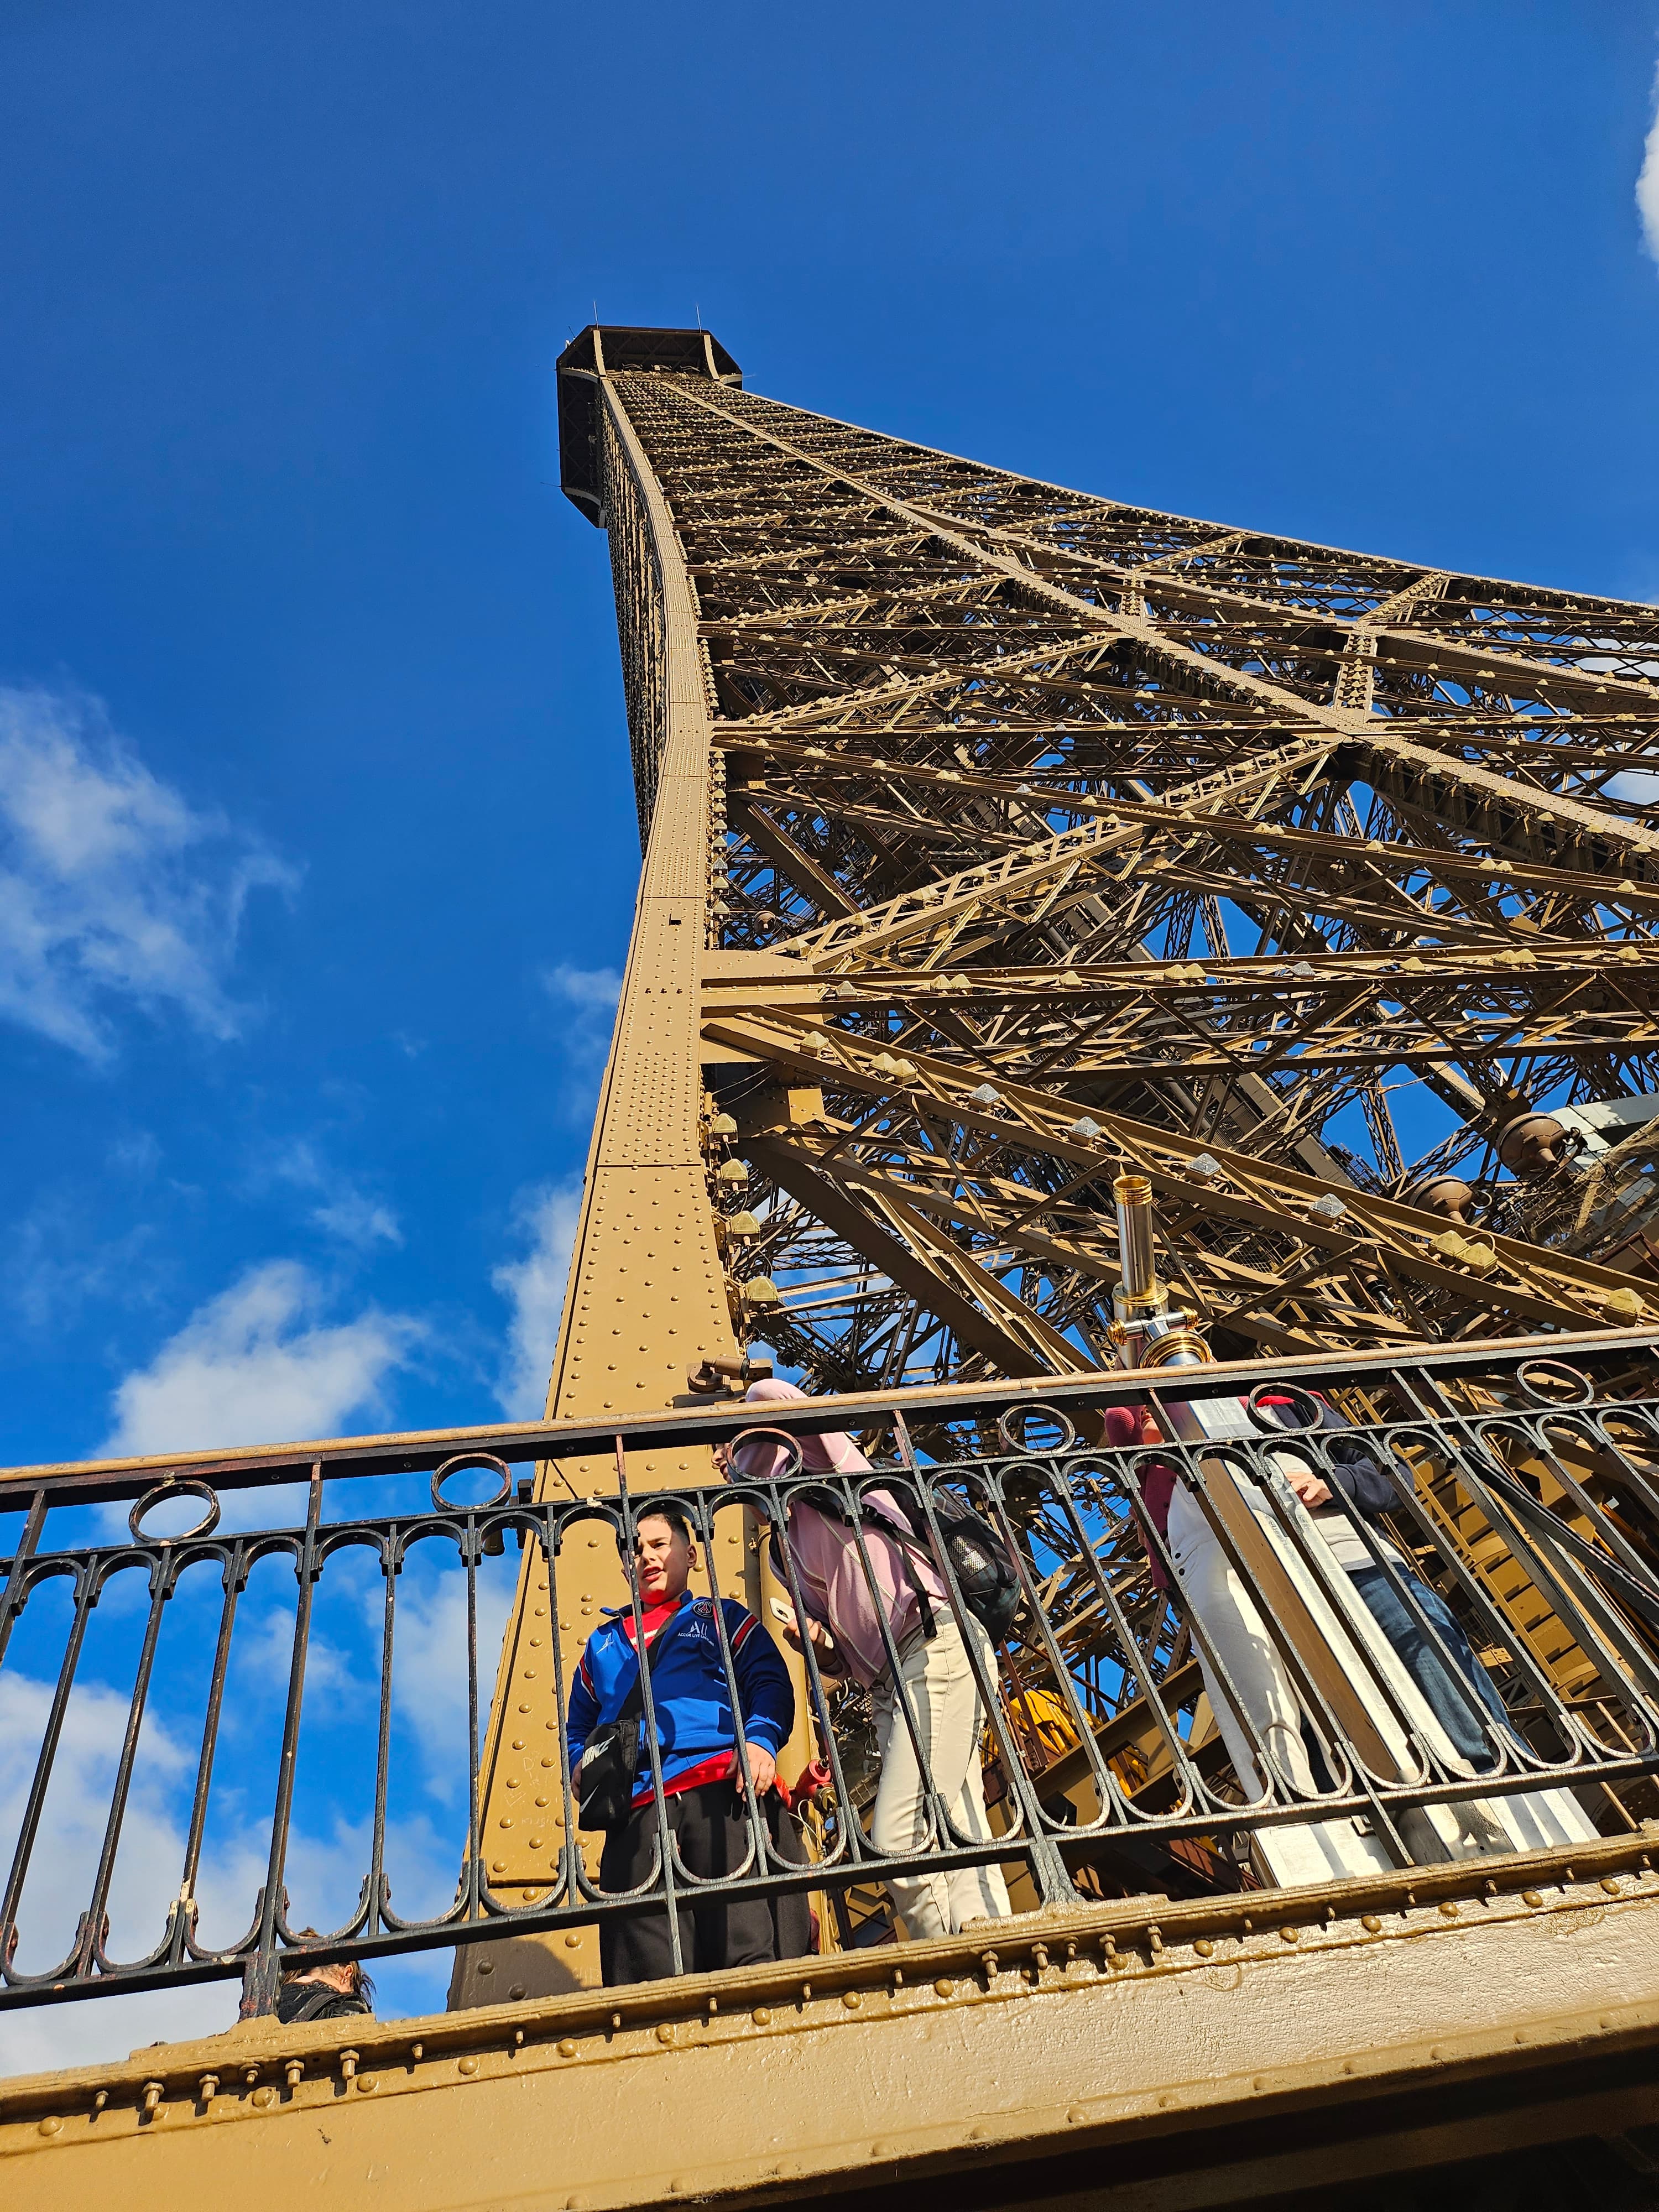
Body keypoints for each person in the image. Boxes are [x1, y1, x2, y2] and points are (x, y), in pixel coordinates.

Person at [729, 1377, 1012, 1942]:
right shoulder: (783, 1551)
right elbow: (840, 1656)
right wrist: (818, 1643)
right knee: (959, 1826)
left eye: (731, 1453)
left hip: (935, 1642)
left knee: (899, 1838)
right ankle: (996, 1946)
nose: (723, 1466)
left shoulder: (825, 1467)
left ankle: (954, 1970)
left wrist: (731, 1417)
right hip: (887, 1684)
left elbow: (779, 1397)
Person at [567, 1503, 811, 1985]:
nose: (646, 1557)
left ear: (691, 1554)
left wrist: (760, 1742)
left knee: (746, 1954)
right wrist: (579, 1764)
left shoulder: (720, 1617)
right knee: (648, 1975)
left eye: (659, 1545)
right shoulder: (601, 1645)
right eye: (634, 1549)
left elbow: (769, 1682)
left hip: (719, 1789)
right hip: (635, 1807)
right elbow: (578, 1726)